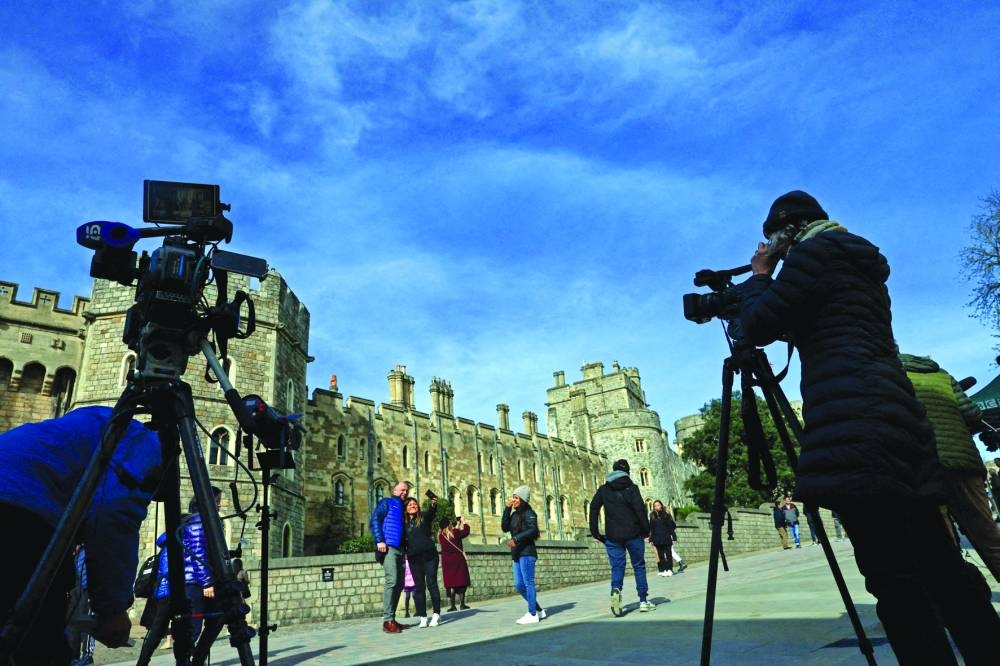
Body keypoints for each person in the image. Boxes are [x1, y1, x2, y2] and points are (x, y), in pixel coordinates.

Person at [736, 189, 1000, 665]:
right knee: (940, 566)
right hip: (899, 420)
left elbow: (754, 326)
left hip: (853, 427)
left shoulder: (813, 254)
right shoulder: (857, 262)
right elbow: (826, 323)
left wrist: (759, 276)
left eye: (775, 240)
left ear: (787, 234)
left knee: (893, 579)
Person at [0, 405, 162, 665]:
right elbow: (112, 520)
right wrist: (112, 610)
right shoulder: (144, 443)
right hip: (19, 514)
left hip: (20, 502)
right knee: (38, 644)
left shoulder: (88, 427)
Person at [900, 352, 1000, 582]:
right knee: (986, 533)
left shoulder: (891, 377)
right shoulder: (941, 374)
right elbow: (971, 413)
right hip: (963, 460)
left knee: (943, 541)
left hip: (926, 464)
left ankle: (965, 597)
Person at [589, 459, 655, 615]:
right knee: (638, 566)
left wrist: (595, 532)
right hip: (633, 534)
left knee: (617, 567)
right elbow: (640, 510)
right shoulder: (632, 488)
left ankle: (616, 590)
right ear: (627, 472)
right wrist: (647, 530)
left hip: (612, 536)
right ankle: (643, 600)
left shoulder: (604, 489)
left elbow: (593, 508)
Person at [184, 486, 225, 666]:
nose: (219, 505)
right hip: (195, 582)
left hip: (204, 580)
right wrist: (207, 582)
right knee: (192, 627)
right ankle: (184, 662)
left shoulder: (207, 520)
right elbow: (198, 552)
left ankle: (197, 660)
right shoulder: (198, 521)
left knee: (217, 619)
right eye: (217, 501)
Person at [501, 486, 546, 624]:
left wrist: (516, 539)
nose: (513, 500)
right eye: (513, 497)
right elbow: (504, 527)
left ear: (522, 499)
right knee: (519, 585)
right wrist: (507, 509)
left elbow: (533, 530)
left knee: (528, 583)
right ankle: (538, 610)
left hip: (526, 552)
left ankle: (532, 614)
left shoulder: (529, 512)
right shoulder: (514, 515)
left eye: (516, 498)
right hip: (517, 553)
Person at [371, 480, 409, 633]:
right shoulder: (386, 503)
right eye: (402, 490)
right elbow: (375, 519)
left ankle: (392, 618)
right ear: (394, 490)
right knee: (392, 580)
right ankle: (387, 621)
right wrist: (379, 540)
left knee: (400, 584)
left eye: (406, 490)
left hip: (400, 549)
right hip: (388, 547)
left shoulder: (403, 508)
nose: (404, 492)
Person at [402, 495, 441, 628]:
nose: (412, 506)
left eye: (414, 504)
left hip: (430, 556)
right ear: (406, 508)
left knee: (432, 584)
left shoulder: (424, 517)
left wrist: (433, 504)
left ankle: (436, 614)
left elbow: (431, 513)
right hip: (414, 558)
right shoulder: (404, 523)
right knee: (419, 588)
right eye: (409, 505)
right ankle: (423, 616)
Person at [135, 532, 171, 666]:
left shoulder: (169, 548)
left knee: (159, 630)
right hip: (166, 594)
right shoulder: (169, 549)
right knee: (156, 631)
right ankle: (142, 662)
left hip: (166, 593)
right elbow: (168, 572)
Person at [67, 543, 96, 666]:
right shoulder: (73, 550)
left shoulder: (90, 548)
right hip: (75, 592)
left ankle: (87, 656)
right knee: (73, 625)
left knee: (86, 625)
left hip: (88, 591)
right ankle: (73, 656)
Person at [439, 516, 472, 611]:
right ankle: (462, 604)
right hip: (458, 561)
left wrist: (457, 525)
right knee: (461, 582)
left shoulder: (441, 536)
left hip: (447, 563)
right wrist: (464, 522)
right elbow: (465, 532)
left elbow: (454, 535)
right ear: (448, 524)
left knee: (451, 584)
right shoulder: (455, 533)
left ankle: (452, 606)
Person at [648, 501, 677, 576]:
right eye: (655, 506)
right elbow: (651, 528)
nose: (657, 507)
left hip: (666, 537)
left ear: (661, 505)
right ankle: (664, 569)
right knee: (661, 555)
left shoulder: (665, 514)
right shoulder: (652, 516)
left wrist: (674, 537)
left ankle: (670, 569)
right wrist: (651, 539)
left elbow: (671, 526)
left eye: (658, 505)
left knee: (668, 554)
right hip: (657, 538)